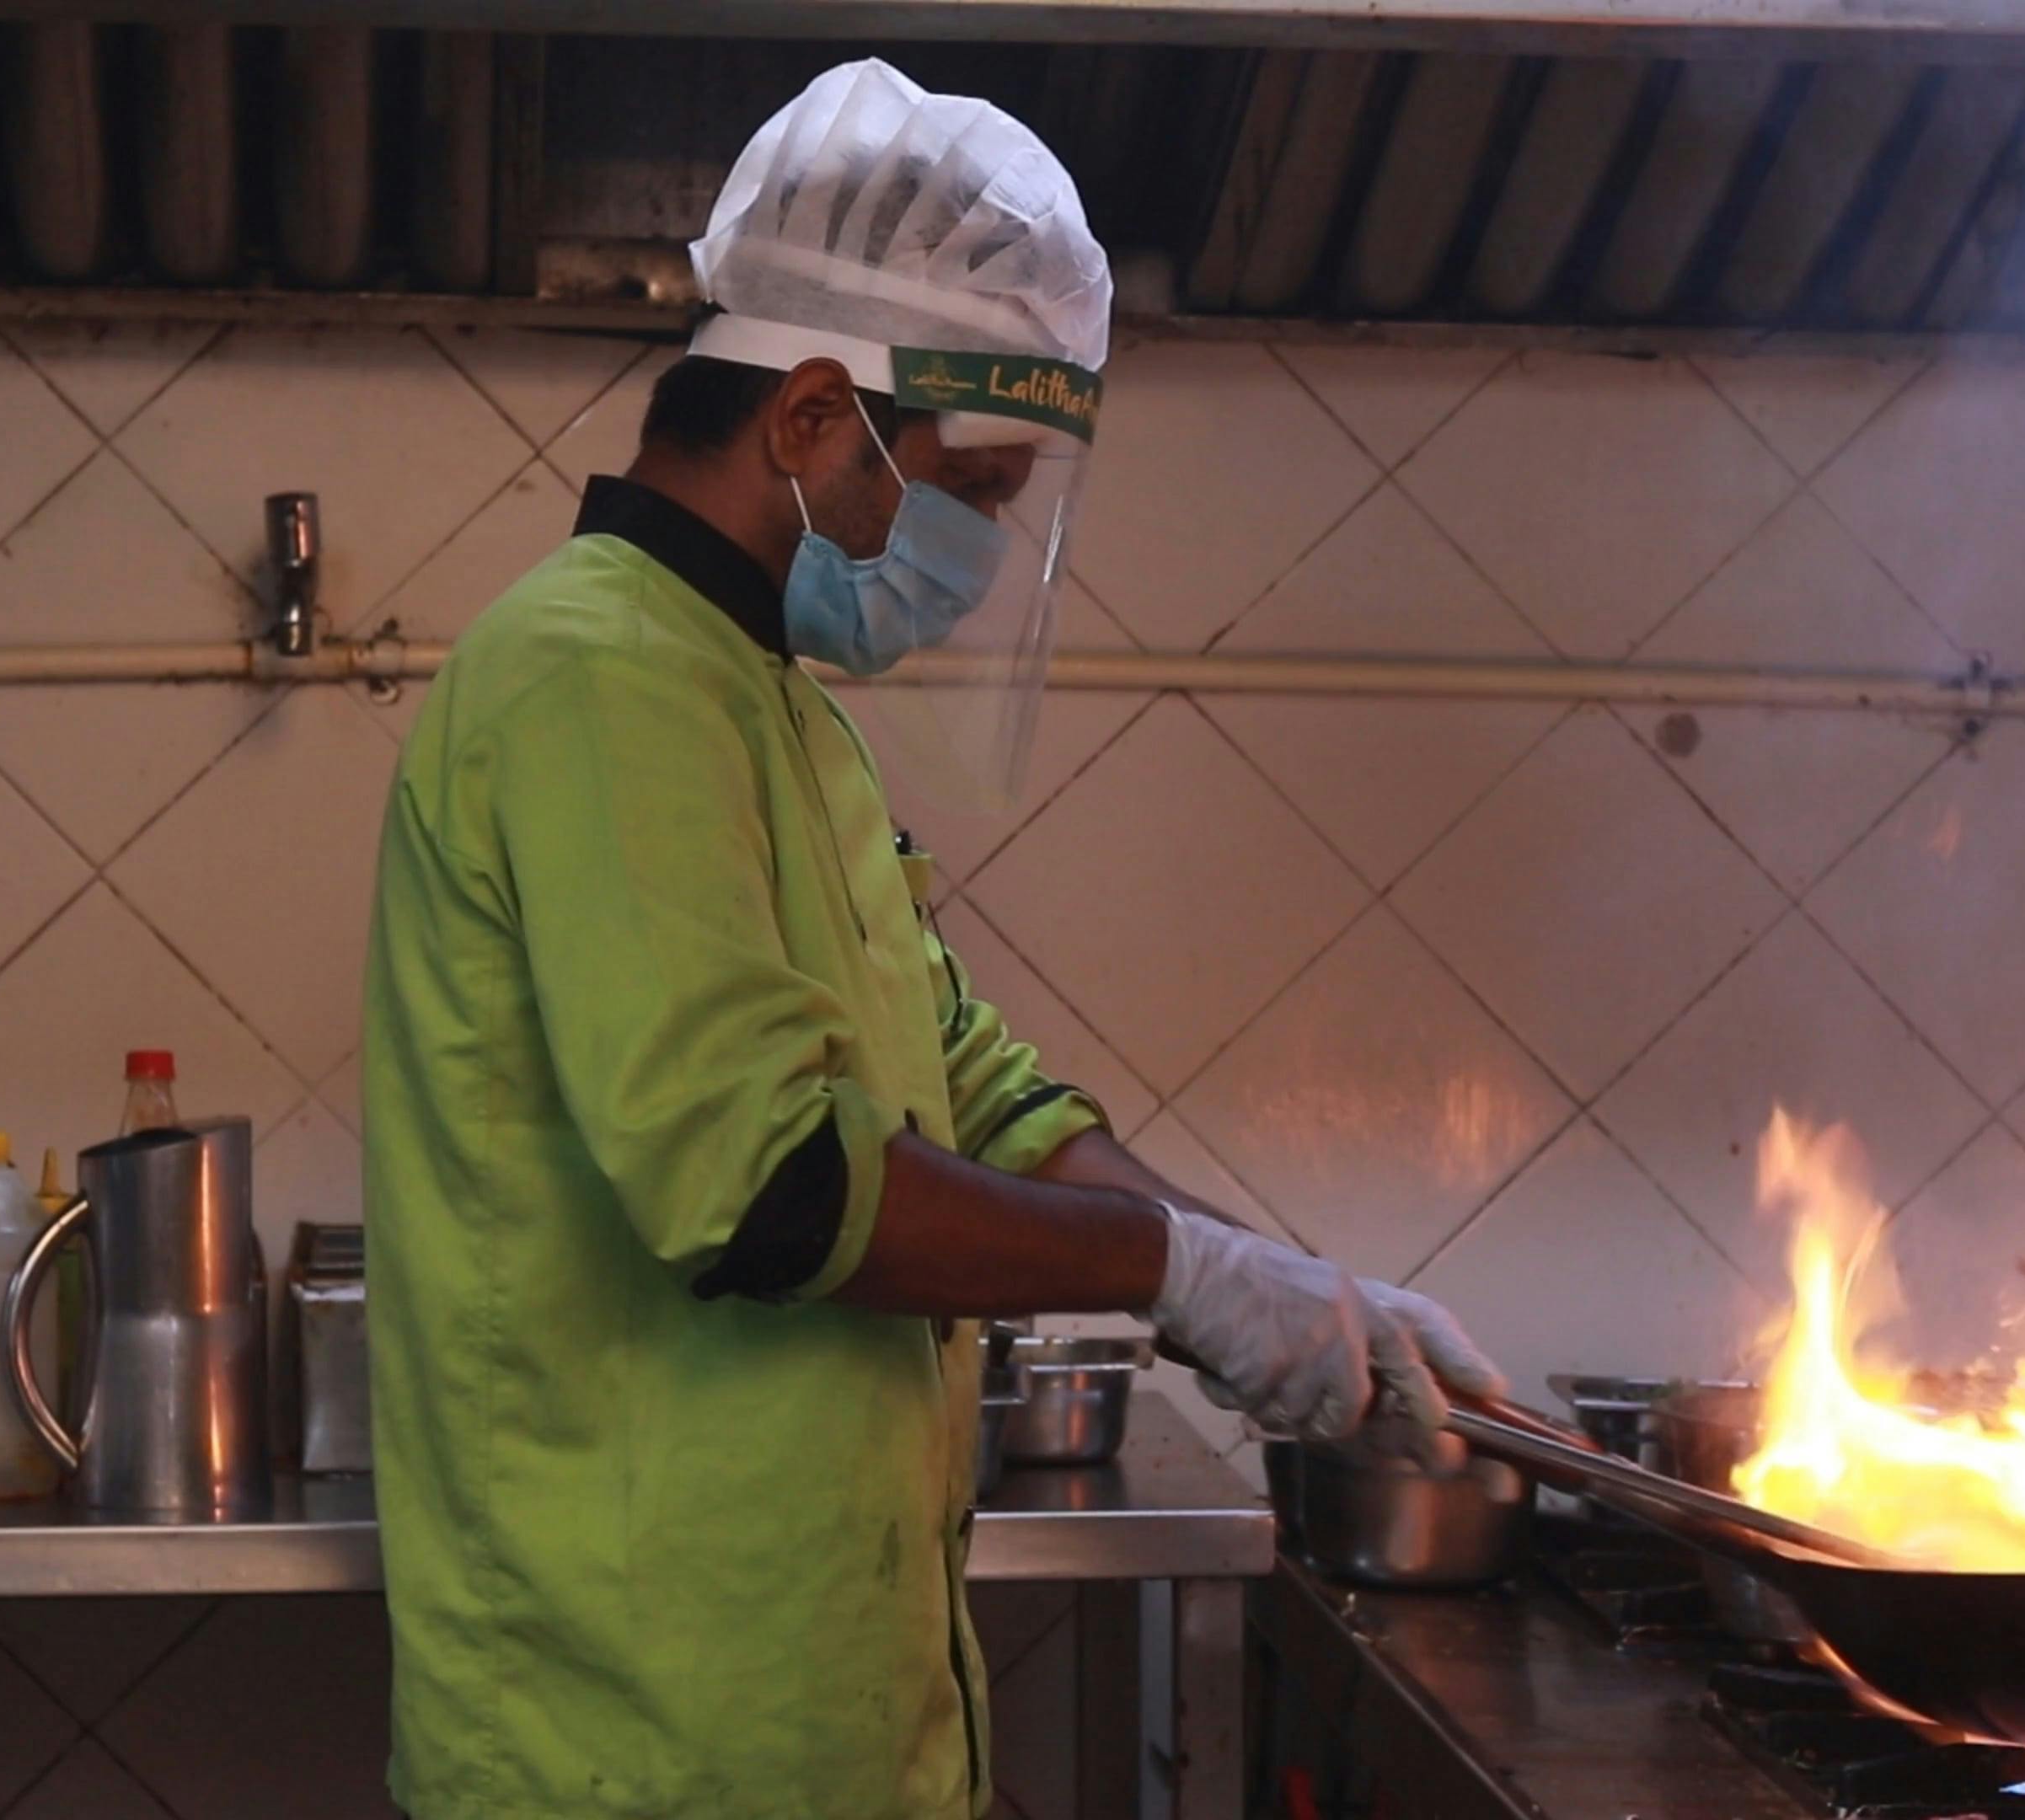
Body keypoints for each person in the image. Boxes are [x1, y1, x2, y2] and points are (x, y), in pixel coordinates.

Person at [359, 60, 1503, 1820]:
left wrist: (1270, 1281)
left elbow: (978, 1091)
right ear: (815, 415)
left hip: (812, 1731)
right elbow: (769, 1189)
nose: (979, 542)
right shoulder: (594, 675)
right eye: (969, 481)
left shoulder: (772, 712)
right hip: (638, 1744)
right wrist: (1167, 1276)